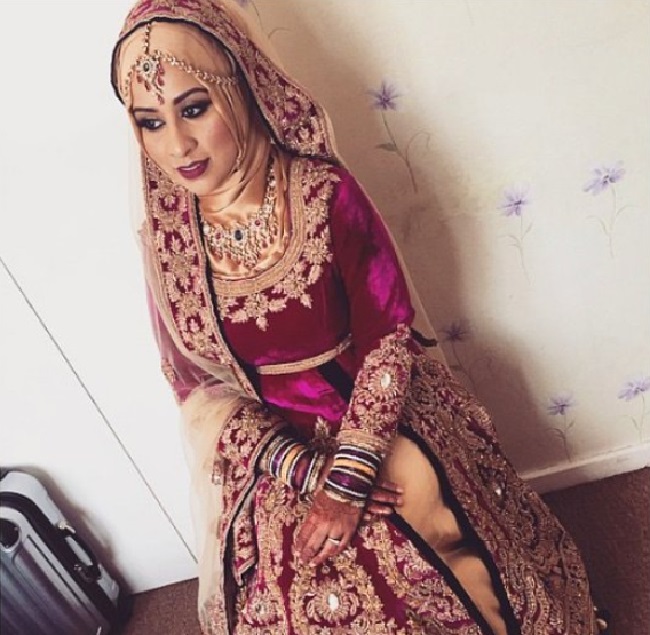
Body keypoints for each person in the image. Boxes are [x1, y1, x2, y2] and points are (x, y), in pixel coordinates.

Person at [110, 1, 604, 633]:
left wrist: (347, 477)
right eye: (150, 122)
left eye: (195, 108)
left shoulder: (321, 194)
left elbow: (387, 334)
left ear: (238, 88)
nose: (177, 145)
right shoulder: (168, 242)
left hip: (376, 408)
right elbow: (194, 384)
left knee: (412, 523)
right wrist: (300, 468)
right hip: (274, 446)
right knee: (289, 589)